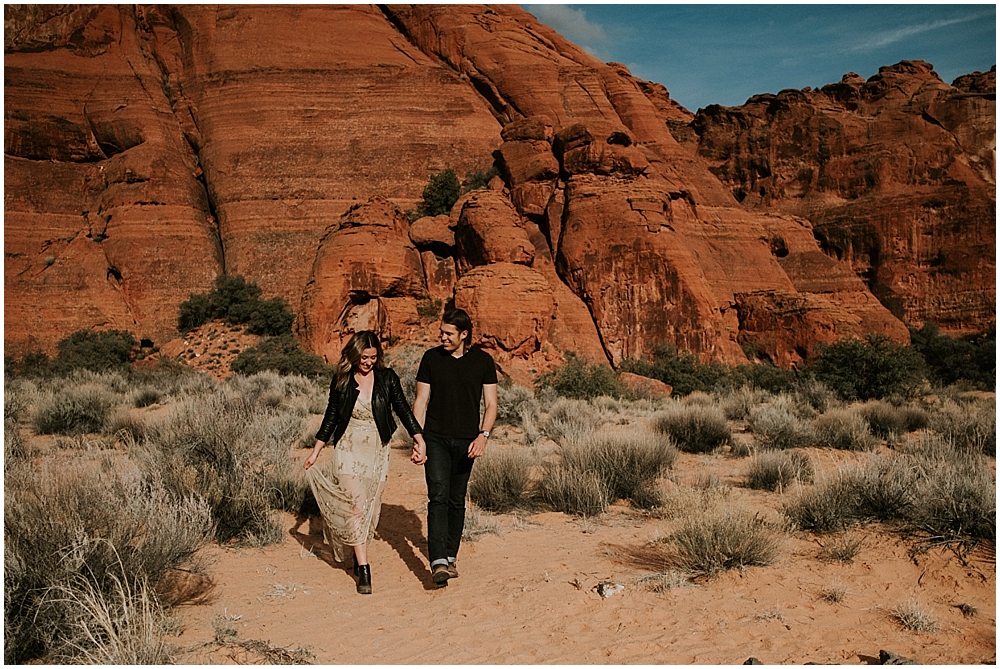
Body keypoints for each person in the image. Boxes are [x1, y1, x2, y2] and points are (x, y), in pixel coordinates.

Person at [304, 330, 425, 595]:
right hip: (348, 446)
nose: (368, 362)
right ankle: (365, 567)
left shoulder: (387, 378)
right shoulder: (343, 379)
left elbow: (403, 408)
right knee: (356, 506)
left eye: (373, 357)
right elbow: (332, 416)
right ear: (354, 355)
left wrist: (419, 438)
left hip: (377, 448)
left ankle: (359, 556)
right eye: (364, 357)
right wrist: (316, 450)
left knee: (370, 505)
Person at [411, 308, 498, 587]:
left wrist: (483, 435)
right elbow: (421, 401)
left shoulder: (483, 361)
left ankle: (450, 556)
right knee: (438, 495)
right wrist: (418, 437)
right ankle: (437, 562)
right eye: (442, 332)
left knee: (456, 499)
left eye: (449, 333)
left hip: (467, 441)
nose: (443, 337)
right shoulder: (431, 358)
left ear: (464, 334)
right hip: (435, 438)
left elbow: (492, 404)